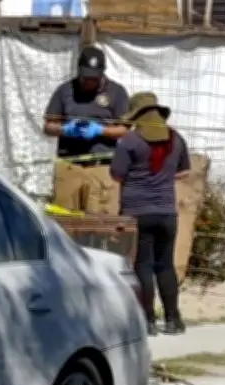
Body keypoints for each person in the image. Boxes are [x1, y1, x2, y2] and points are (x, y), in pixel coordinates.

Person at [110, 92, 191, 336]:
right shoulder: (176, 139)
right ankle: (173, 319)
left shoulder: (130, 141)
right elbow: (184, 171)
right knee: (165, 265)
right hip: (167, 212)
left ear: (138, 118)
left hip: (138, 213)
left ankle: (147, 321)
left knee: (142, 265)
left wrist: (141, 178)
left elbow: (116, 174)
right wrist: (163, 177)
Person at [44, 45, 130, 213]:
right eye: (86, 78)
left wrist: (100, 130)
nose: (89, 82)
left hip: (102, 168)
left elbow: (125, 130)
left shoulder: (117, 93)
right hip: (69, 166)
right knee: (65, 222)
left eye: (94, 79)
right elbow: (48, 126)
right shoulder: (64, 91)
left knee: (101, 225)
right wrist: (66, 129)